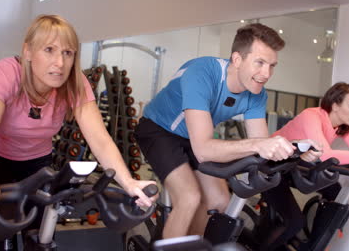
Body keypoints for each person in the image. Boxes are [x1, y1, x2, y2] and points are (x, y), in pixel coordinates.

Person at [0, 15, 157, 251]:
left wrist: (128, 182)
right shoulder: (5, 74)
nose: (60, 63)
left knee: (39, 229)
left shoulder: (75, 83)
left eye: (68, 53)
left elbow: (100, 139)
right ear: (28, 51)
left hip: (37, 164)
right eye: (49, 50)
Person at [135, 23, 322, 239]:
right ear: (237, 59)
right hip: (159, 130)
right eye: (260, 63)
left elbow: (261, 145)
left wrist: (298, 151)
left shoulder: (257, 94)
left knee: (219, 200)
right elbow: (205, 149)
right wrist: (258, 145)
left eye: (272, 65)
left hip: (192, 138)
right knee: (189, 197)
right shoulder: (203, 72)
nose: (266, 73)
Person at [258, 82, 349, 250]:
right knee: (294, 222)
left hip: (293, 166)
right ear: (335, 105)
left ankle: (316, 245)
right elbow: (327, 155)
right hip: (271, 168)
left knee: (335, 192)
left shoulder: (344, 127)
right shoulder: (311, 115)